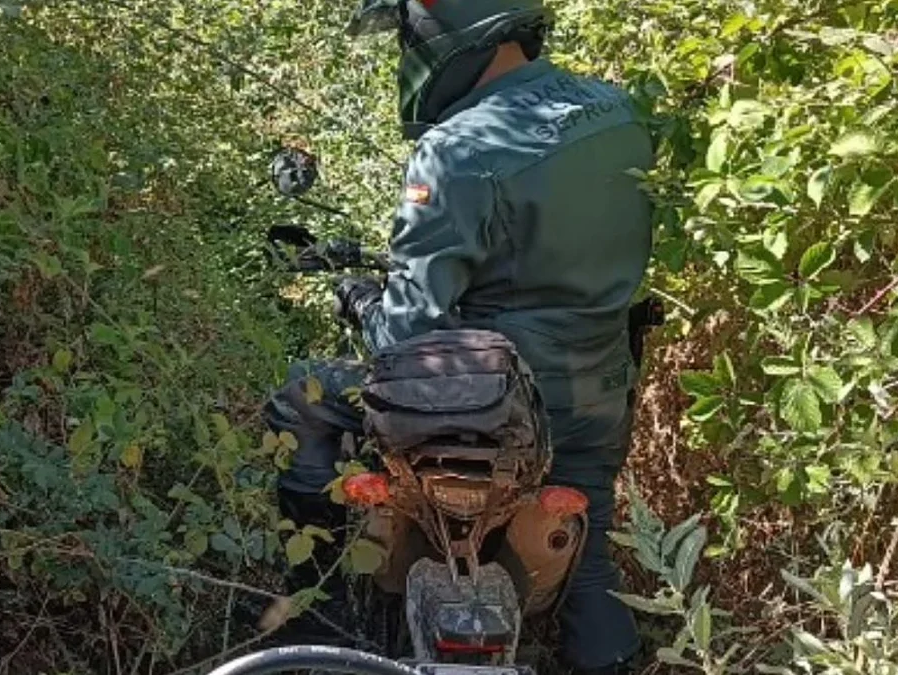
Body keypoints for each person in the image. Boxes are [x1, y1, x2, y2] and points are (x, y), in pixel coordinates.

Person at [262, 1, 655, 672]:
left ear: (444, 31)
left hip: (487, 413)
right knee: (590, 567)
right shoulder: (619, 112)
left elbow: (404, 332)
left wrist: (360, 299)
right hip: (598, 394)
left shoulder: (458, 147)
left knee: (301, 396)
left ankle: (316, 610)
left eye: (406, 34)